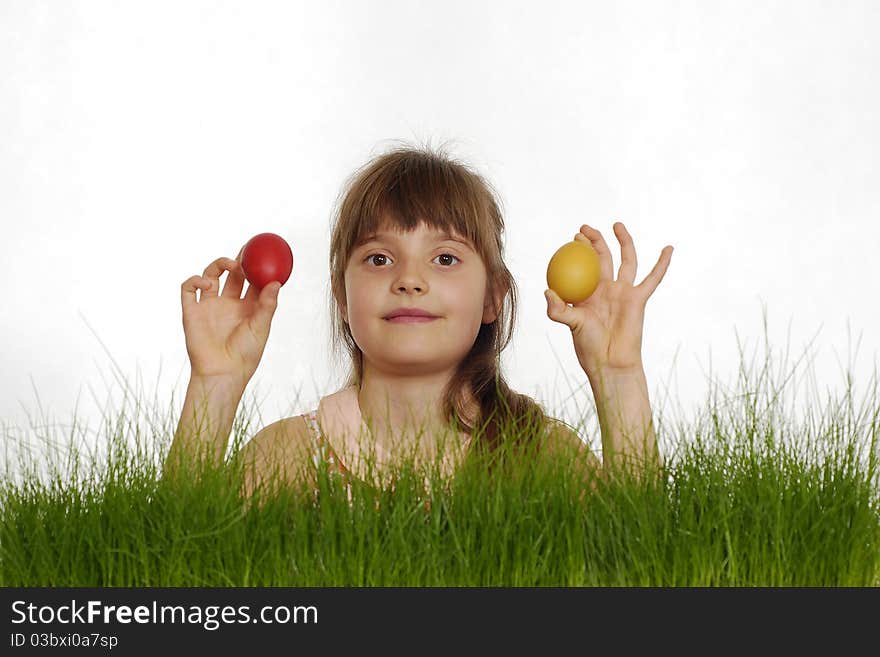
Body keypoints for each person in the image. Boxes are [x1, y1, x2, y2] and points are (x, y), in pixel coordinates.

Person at [163, 141, 674, 504]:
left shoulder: (539, 454)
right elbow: (177, 565)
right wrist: (216, 384)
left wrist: (618, 375)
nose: (409, 279)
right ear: (342, 298)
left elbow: (636, 557)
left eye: (445, 259)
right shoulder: (291, 456)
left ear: (493, 298)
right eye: (380, 259)